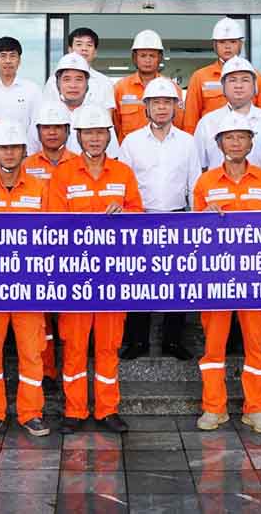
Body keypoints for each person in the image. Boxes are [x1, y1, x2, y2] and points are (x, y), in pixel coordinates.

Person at [48, 104, 144, 435]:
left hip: (113, 275)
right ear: (78, 136)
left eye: (100, 132)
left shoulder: (123, 173)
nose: (94, 138)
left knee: (108, 345)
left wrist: (125, 214)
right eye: (88, 133)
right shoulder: (63, 174)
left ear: (109, 135)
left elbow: (139, 214)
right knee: (74, 346)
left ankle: (107, 409)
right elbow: (54, 222)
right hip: (75, 275)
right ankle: (74, 410)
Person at [192, 114, 261, 433]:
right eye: (229, 137)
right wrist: (203, 217)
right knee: (213, 346)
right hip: (216, 278)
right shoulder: (205, 183)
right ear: (218, 144)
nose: (235, 143)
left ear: (251, 142)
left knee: (256, 344)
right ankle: (213, 407)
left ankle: (255, 408)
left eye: (242, 137)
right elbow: (194, 235)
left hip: (256, 278)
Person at [0, 120, 52, 438]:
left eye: (15, 148)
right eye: (3, 148)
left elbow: (53, 235)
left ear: (24, 151)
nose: (9, 154)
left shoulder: (40, 188)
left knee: (32, 351)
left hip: (29, 286)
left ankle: (31, 412)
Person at [117, 77, 200, 362]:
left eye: (167, 102)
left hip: (177, 219)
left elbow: (194, 184)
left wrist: (196, 222)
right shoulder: (131, 142)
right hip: (141, 220)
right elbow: (124, 182)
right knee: (137, 280)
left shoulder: (188, 142)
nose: (162, 107)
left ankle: (173, 341)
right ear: (146, 107)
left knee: (176, 282)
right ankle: (137, 340)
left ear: (176, 107)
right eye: (156, 103)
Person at [22, 102, 76, 390]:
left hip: (71, 251)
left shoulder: (79, 163)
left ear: (67, 131)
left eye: (57, 127)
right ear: (38, 131)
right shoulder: (26, 165)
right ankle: (46, 371)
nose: (52, 133)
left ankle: (68, 371)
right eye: (46, 128)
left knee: (69, 319)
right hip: (36, 250)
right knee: (40, 317)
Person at [193, 57, 261, 171]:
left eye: (245, 80)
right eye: (232, 80)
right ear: (223, 87)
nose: (239, 86)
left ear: (255, 86)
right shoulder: (207, 123)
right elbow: (197, 167)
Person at [182, 17, 261, 133]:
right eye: (222, 42)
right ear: (215, 45)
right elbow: (190, 120)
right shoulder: (200, 77)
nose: (227, 46)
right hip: (211, 138)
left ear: (241, 44)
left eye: (233, 42)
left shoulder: (256, 77)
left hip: (248, 139)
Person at [41, 52, 120, 159]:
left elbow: (113, 156)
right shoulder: (46, 114)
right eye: (67, 79)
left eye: (79, 79)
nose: (73, 85)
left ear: (87, 84)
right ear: (58, 83)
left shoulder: (99, 114)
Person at [112, 29, 183, 142]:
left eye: (152, 56)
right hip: (129, 149)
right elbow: (115, 125)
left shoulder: (172, 88)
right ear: (134, 58)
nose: (148, 60)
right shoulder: (121, 87)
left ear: (160, 58)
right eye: (143, 56)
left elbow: (178, 124)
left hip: (164, 147)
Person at [42, 27, 116, 111]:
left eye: (89, 45)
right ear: (70, 50)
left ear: (95, 52)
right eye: (79, 44)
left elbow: (108, 114)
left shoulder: (105, 82)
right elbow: (46, 110)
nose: (84, 49)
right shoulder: (53, 81)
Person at [0, 36, 42, 130]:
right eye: (3, 56)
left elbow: (36, 124)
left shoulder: (32, 89)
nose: (8, 61)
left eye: (12, 56)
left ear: (19, 60)